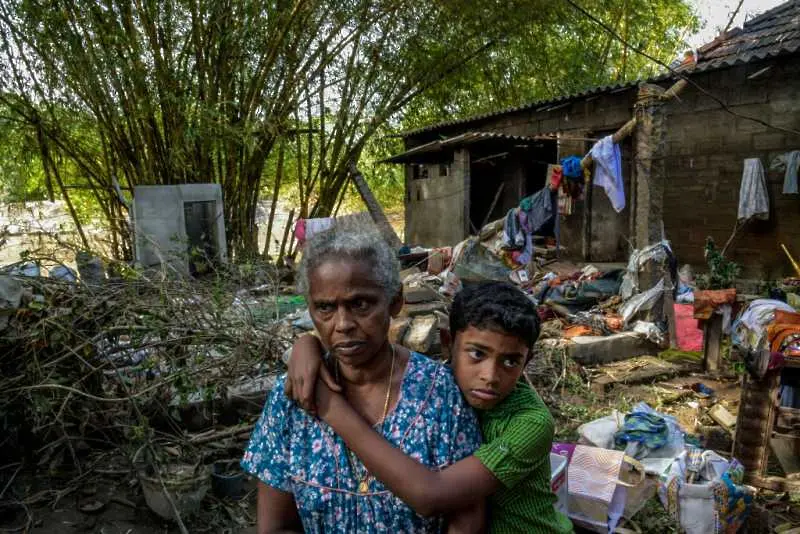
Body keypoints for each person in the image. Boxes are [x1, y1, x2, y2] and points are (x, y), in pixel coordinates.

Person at [241, 223, 484, 534]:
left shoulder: (441, 394)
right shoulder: (292, 397)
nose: (343, 324)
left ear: (395, 301)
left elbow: (467, 519)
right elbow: (275, 527)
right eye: (325, 308)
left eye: (360, 304)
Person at [288, 281, 574, 534]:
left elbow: (431, 495)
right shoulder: (441, 385)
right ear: (448, 344)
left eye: (511, 361)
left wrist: (330, 407)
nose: (490, 376)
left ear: (527, 360)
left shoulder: (530, 423)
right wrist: (307, 344)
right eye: (477, 353)